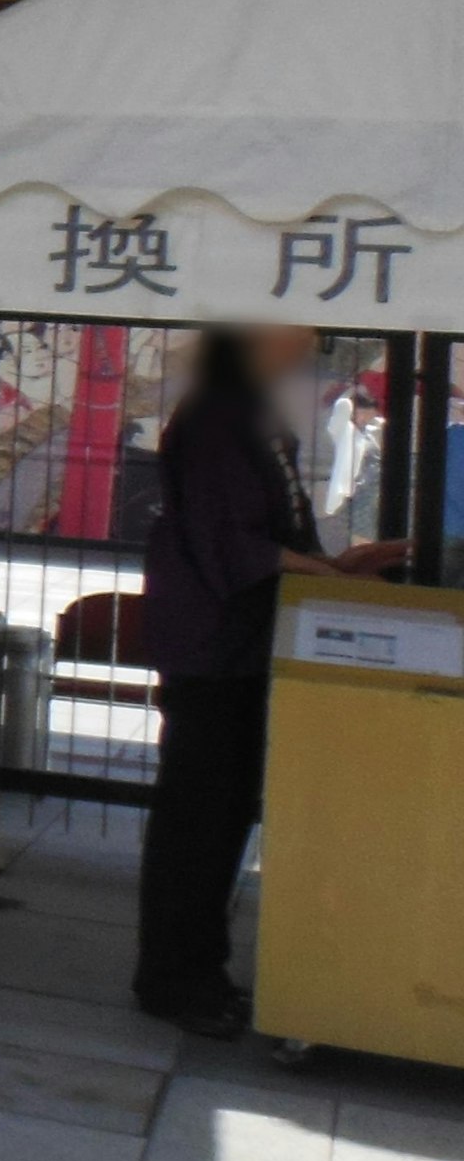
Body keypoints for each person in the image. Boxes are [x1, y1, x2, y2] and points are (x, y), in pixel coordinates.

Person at [133, 325, 407, 1036]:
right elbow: (234, 540)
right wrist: (325, 568)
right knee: (200, 812)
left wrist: (339, 563)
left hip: (245, 639)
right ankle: (175, 976)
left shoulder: (255, 411)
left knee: (227, 810)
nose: (310, 338)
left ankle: (201, 964)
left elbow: (281, 528)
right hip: (211, 640)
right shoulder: (219, 414)